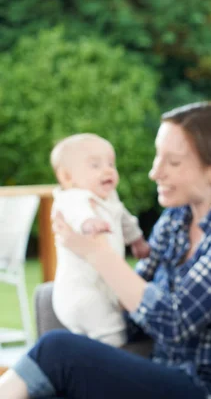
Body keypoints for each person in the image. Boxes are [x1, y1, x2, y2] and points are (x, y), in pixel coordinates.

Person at [0, 102, 211, 398]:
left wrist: (96, 253)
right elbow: (134, 305)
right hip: (162, 371)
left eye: (172, 162)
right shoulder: (177, 218)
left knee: (56, 350)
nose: (154, 172)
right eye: (157, 156)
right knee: (56, 386)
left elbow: (175, 322)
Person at [50, 133, 150, 347]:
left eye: (111, 164)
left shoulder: (109, 199)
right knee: (113, 334)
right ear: (68, 177)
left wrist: (137, 240)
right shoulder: (72, 197)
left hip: (100, 288)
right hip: (80, 291)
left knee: (93, 338)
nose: (107, 170)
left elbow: (125, 220)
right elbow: (76, 214)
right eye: (95, 165)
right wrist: (88, 223)